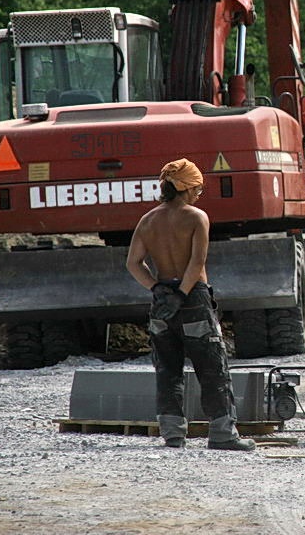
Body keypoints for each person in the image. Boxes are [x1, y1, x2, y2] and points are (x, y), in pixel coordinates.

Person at [126, 158, 254, 451]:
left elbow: (133, 263)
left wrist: (158, 290)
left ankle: (172, 434)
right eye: (198, 187)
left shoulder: (147, 220)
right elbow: (197, 262)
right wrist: (182, 294)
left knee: (167, 368)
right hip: (192, 298)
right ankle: (222, 434)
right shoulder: (196, 217)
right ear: (188, 187)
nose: (199, 193)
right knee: (212, 368)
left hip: (161, 302)